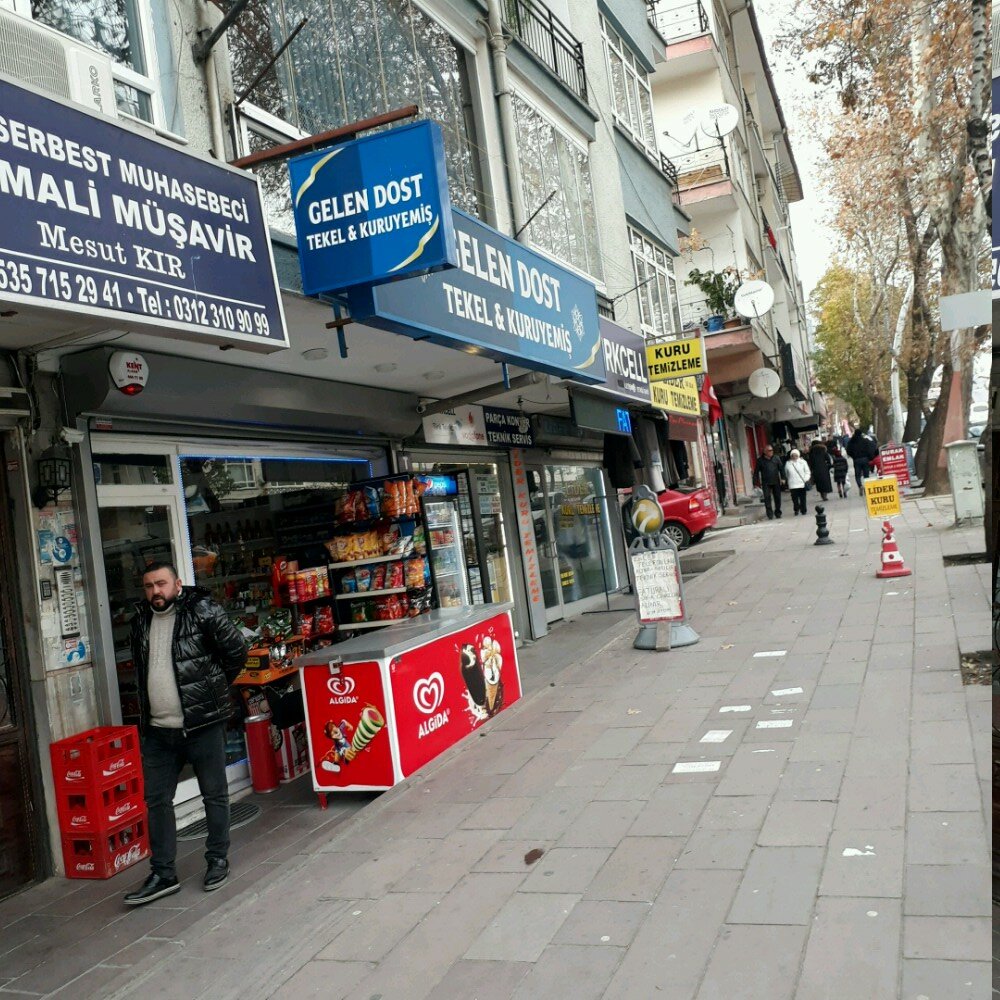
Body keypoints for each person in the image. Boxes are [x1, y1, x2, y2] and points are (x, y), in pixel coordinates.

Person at [123, 561, 249, 907]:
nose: (155, 592)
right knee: (156, 800)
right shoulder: (141, 621)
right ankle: (163, 872)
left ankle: (217, 859)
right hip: (159, 730)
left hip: (202, 723)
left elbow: (237, 650)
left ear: (177, 583)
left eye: (161, 584)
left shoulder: (202, 611)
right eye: (148, 586)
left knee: (214, 794)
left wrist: (213, 690)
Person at [752, 444, 785, 520]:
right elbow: (756, 472)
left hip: (776, 481)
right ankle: (769, 514)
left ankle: (778, 512)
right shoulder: (760, 460)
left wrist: (783, 478)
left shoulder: (776, 458)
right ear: (765, 452)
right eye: (770, 450)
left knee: (777, 498)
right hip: (766, 482)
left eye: (772, 450)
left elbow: (781, 469)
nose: (771, 452)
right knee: (767, 498)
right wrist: (755, 483)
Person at [846, 427, 878, 491]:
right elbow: (871, 448)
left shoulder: (851, 442)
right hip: (865, 459)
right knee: (866, 475)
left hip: (856, 460)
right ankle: (867, 488)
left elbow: (848, 451)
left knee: (857, 475)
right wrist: (870, 457)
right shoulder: (865, 441)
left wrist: (853, 456)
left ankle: (860, 486)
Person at [784, 448, 812, 516]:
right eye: (793, 455)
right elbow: (786, 473)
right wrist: (788, 480)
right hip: (792, 484)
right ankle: (796, 509)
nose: (794, 457)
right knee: (794, 499)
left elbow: (807, 472)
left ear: (798, 455)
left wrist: (805, 479)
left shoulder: (803, 462)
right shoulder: (788, 463)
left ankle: (803, 510)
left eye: (796, 455)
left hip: (802, 483)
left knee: (803, 498)